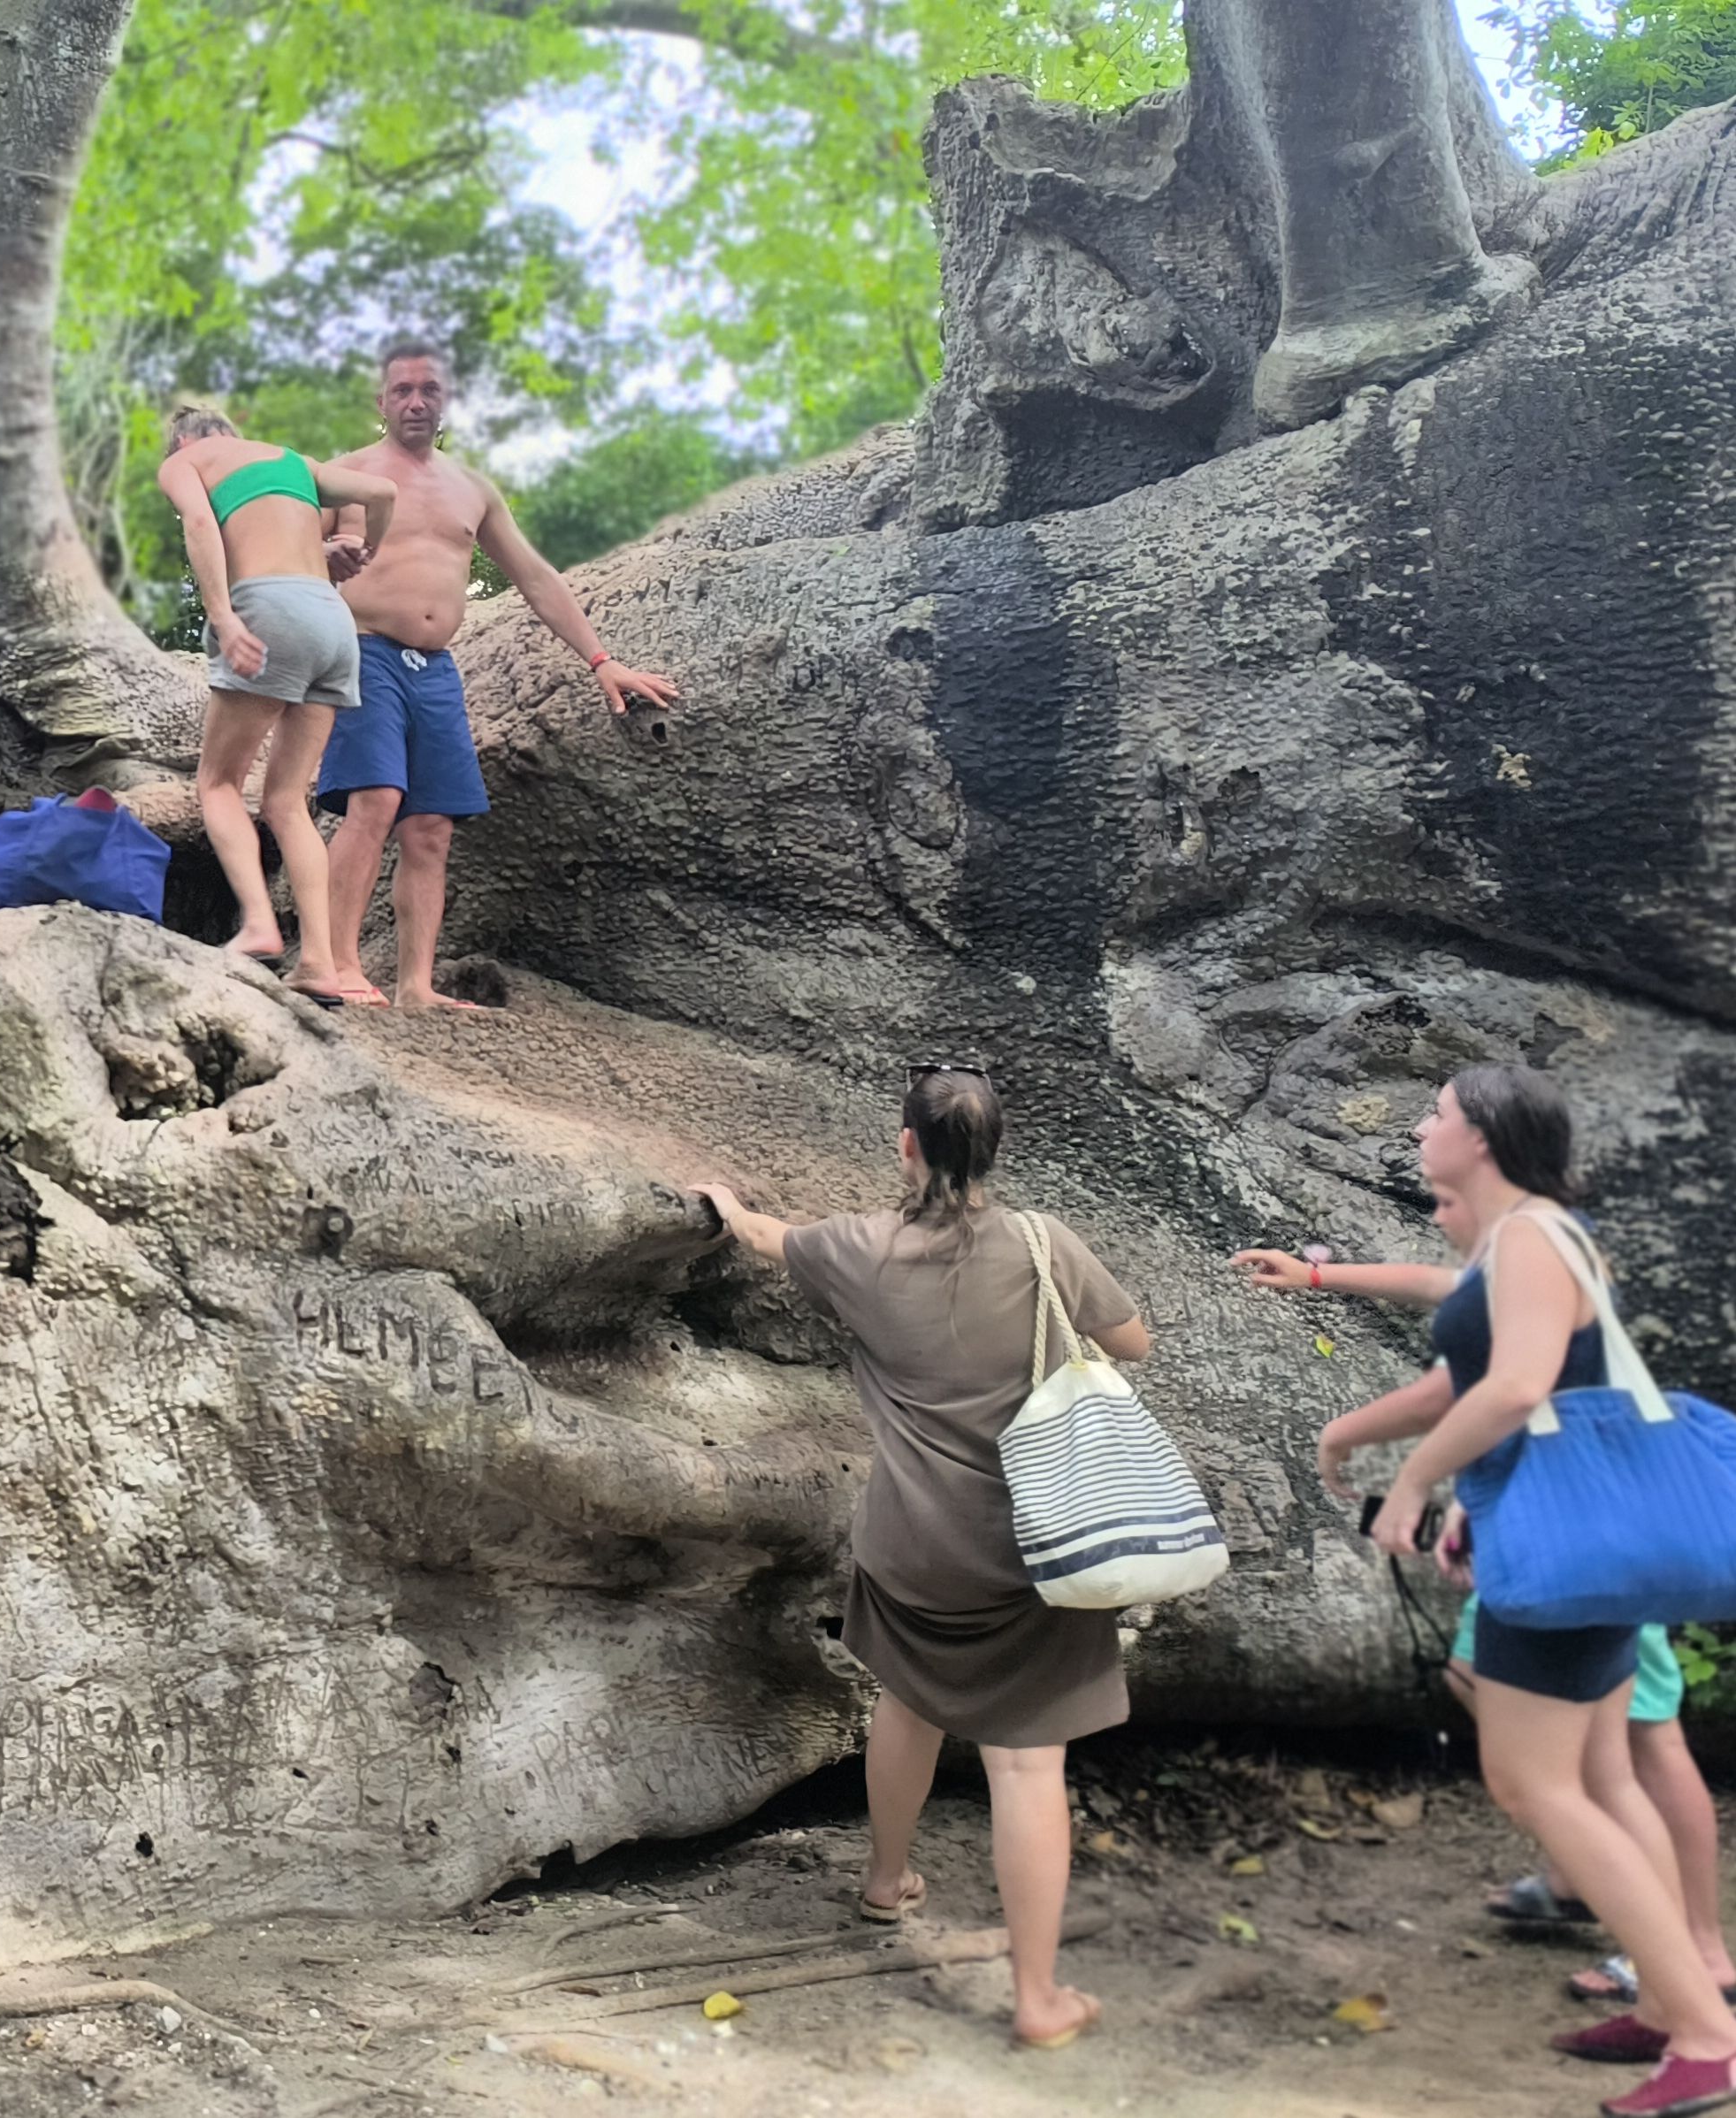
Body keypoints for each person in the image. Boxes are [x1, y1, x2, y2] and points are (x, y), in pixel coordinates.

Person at [694, 1067, 1144, 2052]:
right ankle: (1037, 1998)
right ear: (993, 1152)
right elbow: (1132, 1340)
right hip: (1035, 1547)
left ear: (906, 1145)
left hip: (910, 1544)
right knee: (1026, 1762)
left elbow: (765, 1236)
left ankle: (884, 1878)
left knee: (908, 1699)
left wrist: (724, 1203)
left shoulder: (861, 1247)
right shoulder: (1045, 1243)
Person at [1329, 1066, 1736, 2117]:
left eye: (1436, 1113)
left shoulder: (1529, 1238)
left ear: (1482, 1136)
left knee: (1533, 1783)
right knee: (1601, 1777)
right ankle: (1671, 2004)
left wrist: (1415, 1482)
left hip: (1565, 1557)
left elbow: (1514, 1385)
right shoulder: (1534, 1235)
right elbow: (1527, 1383)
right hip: (1580, 1533)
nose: (1420, 1128)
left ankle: (1704, 2035)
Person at [1239, 1212, 1736, 2015]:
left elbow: (1468, 1388)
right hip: (1563, 1526)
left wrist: (1358, 1443)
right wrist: (1319, 1274)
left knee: (1637, 1748)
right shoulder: (1526, 1249)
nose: (1439, 1202)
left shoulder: (1531, 1245)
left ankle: (1689, 1953)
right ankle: (1587, 1883)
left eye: (1446, 1182)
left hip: (1580, 1539)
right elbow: (1444, 1289)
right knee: (1539, 1716)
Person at [312, 340, 679, 1010]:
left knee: (432, 827)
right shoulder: (345, 476)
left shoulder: (471, 489)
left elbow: (535, 576)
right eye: (402, 390)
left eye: (429, 389)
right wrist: (322, 557)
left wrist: (603, 662)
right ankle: (336, 965)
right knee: (377, 800)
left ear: (446, 399)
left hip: (436, 668)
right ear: (381, 400)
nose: (416, 401)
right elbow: (286, 556)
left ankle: (416, 985)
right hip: (364, 652)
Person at [153, 404, 400, 1003]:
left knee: (217, 783)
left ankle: (260, 924)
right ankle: (318, 963)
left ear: (183, 440)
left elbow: (200, 523)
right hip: (332, 620)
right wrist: (362, 548)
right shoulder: (295, 462)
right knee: (287, 800)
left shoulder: (187, 461)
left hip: (268, 610)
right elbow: (383, 492)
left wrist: (222, 615)